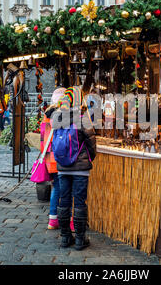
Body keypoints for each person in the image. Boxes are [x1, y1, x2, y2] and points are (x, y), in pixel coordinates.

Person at [53, 86, 96, 250]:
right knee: (79, 202)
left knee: (63, 201)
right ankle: (79, 239)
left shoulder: (58, 117)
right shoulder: (82, 117)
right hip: (80, 168)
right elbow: (91, 141)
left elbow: (54, 142)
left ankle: (65, 238)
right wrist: (89, 158)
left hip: (62, 168)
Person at [41, 87, 66, 230]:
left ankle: (52, 219)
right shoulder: (61, 115)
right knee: (62, 188)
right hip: (60, 157)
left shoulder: (46, 115)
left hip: (50, 157)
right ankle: (61, 219)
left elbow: (43, 137)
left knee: (56, 187)